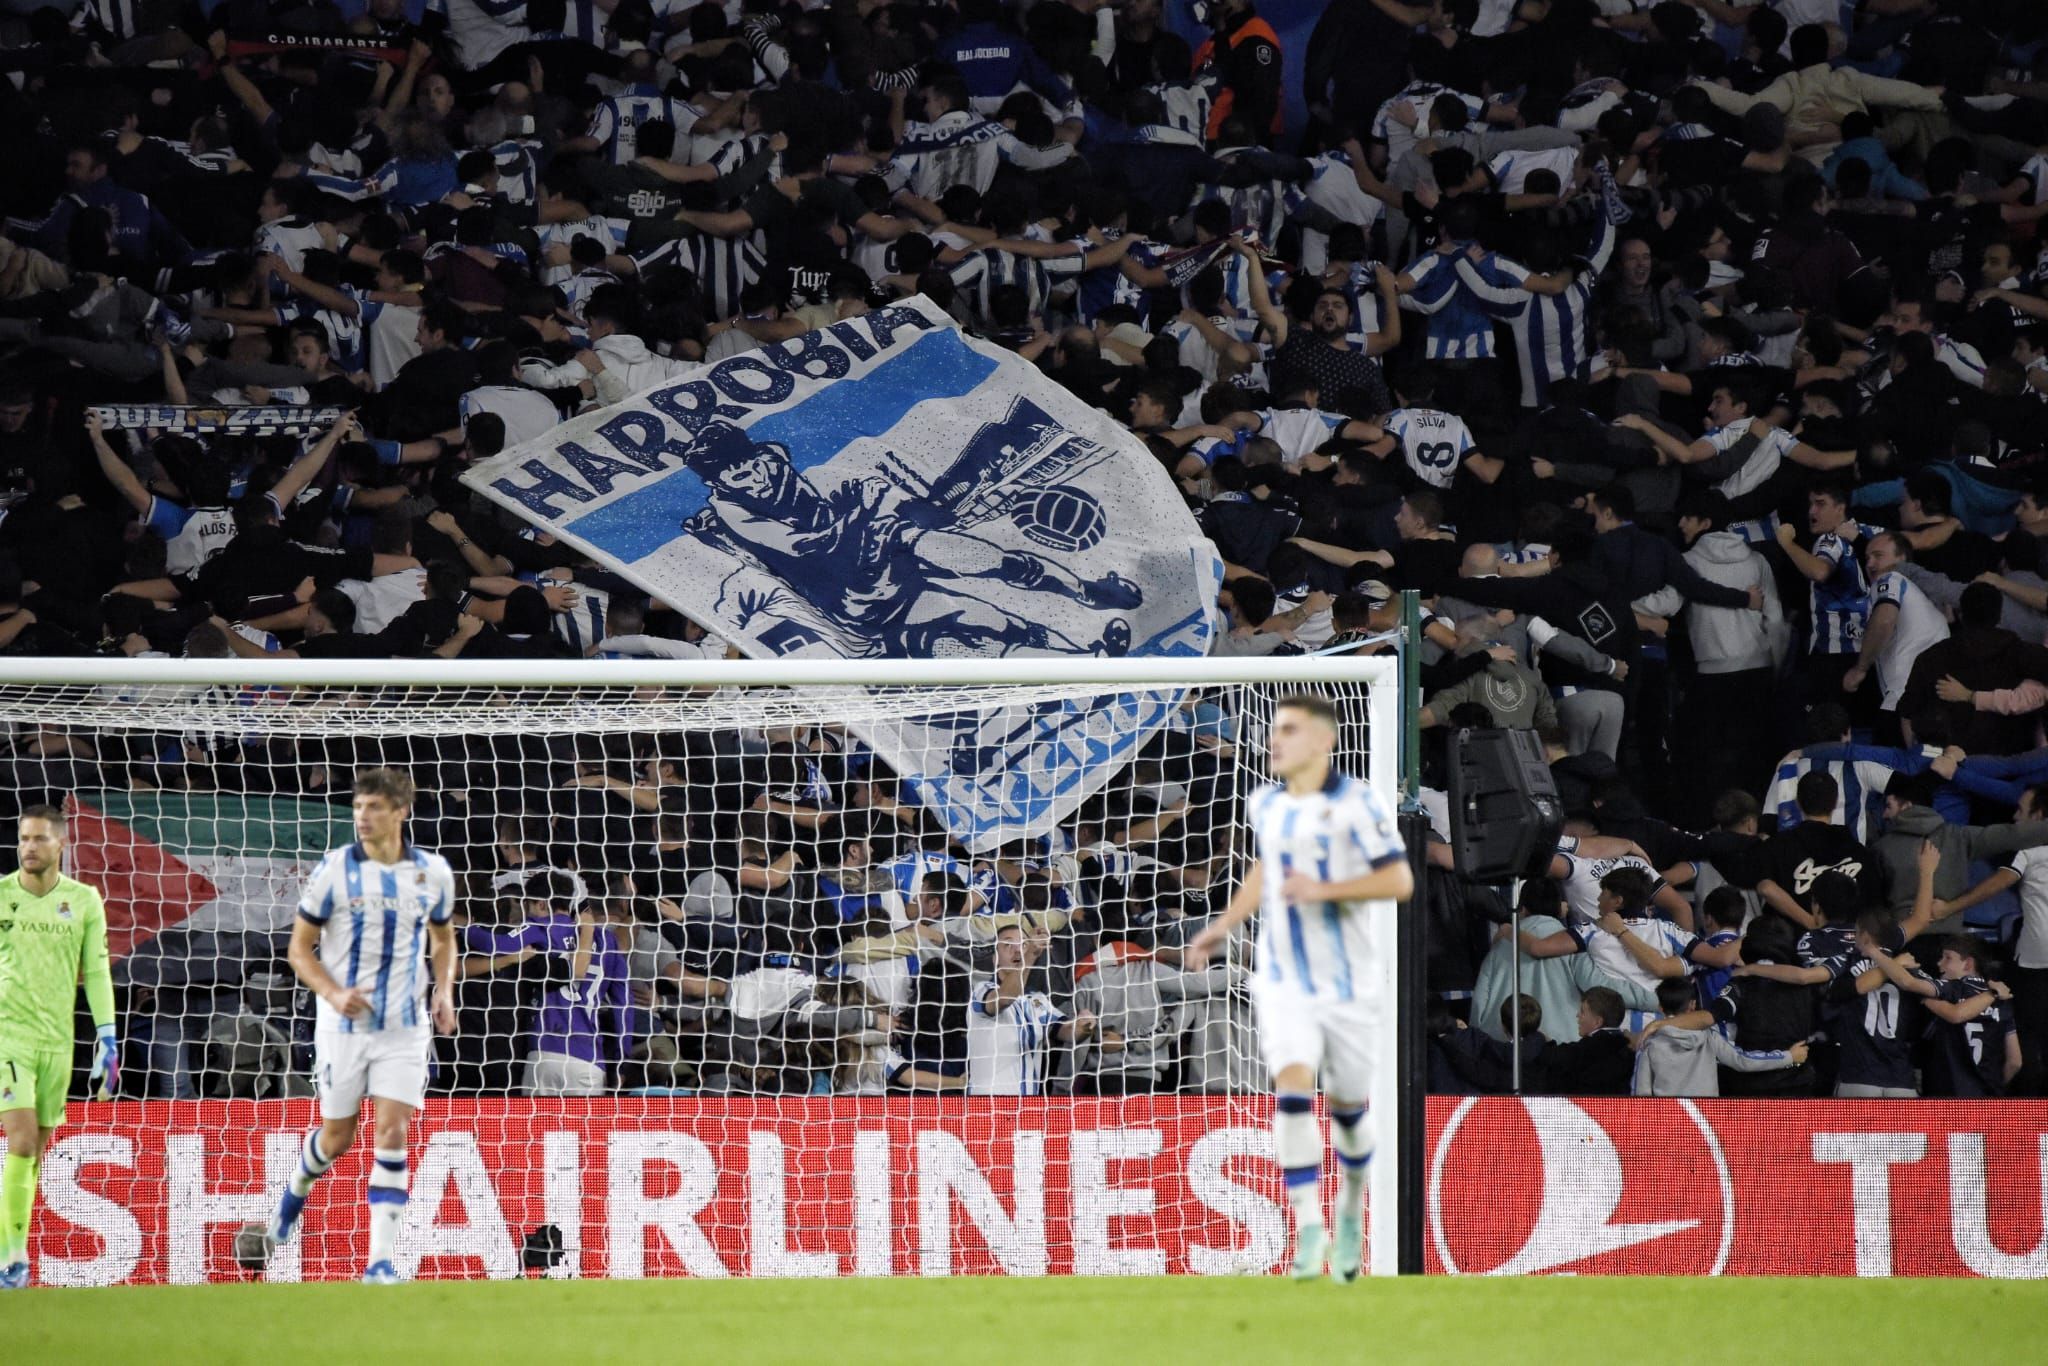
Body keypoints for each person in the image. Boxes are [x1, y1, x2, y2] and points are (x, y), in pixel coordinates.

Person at [1186, 692, 1412, 1283]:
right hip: (1284, 978)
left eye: (1287, 730)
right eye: (1273, 731)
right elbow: (1266, 868)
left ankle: (1349, 1213)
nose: (1274, 741)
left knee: (1344, 1109)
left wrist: (1327, 890)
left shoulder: (1360, 804)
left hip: (1348, 982)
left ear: (1322, 740)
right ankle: (1308, 1227)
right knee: (1291, 1091)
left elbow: (1399, 878)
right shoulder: (1266, 803)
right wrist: (1221, 926)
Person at [256, 769, 458, 1284]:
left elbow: (443, 939)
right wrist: (333, 992)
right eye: (358, 806)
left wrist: (444, 989)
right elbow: (298, 950)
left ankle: (380, 1262)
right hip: (342, 1027)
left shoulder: (432, 872)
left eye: (373, 807)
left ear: (400, 811)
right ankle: (292, 1197)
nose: (362, 817)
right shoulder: (334, 871)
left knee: (393, 1131)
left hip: (405, 1027)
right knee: (338, 1136)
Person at [0, 806, 117, 1290]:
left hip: (58, 1041)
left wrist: (107, 1039)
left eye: (39, 839)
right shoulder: (2, 895)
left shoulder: (84, 901)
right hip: (9, 1036)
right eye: (24, 838)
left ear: (61, 844)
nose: (28, 847)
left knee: (35, 1151)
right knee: (23, 1140)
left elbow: (97, 971)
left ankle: (13, 1245)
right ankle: (13, 1259)